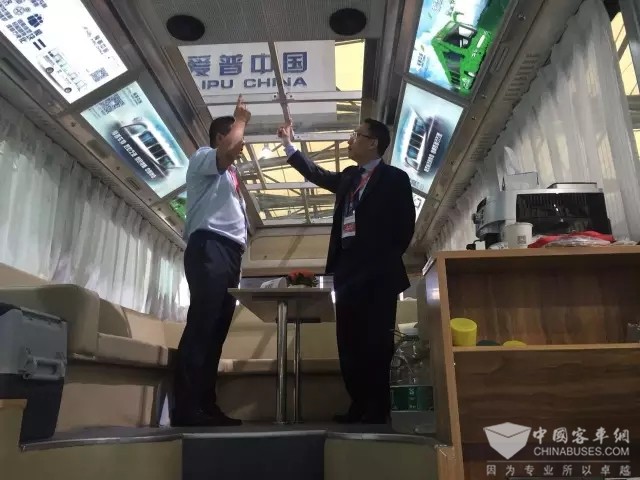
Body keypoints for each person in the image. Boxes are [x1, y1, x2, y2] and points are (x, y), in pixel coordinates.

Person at [277, 119, 415, 424]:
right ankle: (358, 404)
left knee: (377, 342)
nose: (350, 140)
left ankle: (378, 408)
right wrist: (289, 147)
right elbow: (318, 174)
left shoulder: (395, 178)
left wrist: (382, 260)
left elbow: (405, 226)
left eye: (356, 135)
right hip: (347, 273)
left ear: (373, 143)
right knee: (349, 342)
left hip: (379, 276)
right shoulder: (350, 176)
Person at [172, 95, 251, 427]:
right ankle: (186, 408)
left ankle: (206, 404)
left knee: (216, 331)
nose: (241, 146)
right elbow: (228, 151)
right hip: (209, 246)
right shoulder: (204, 157)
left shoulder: (229, 176)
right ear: (221, 137)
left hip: (229, 253)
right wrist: (241, 119)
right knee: (202, 325)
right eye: (236, 137)